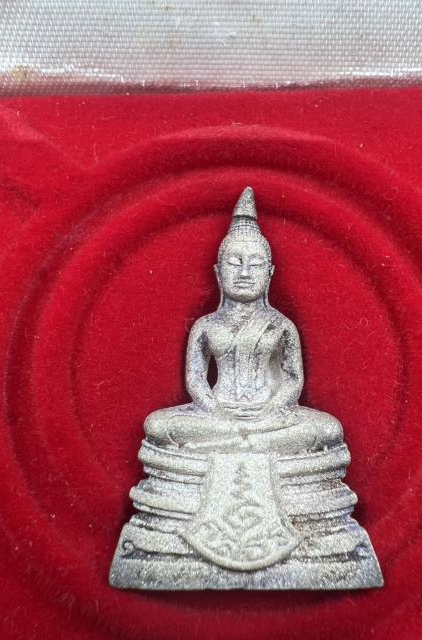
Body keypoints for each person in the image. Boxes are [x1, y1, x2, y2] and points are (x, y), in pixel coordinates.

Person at [144, 187, 343, 455]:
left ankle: (236, 444)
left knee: (328, 430)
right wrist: (217, 411)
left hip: (269, 416)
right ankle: (247, 444)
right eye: (235, 263)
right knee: (157, 426)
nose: (245, 273)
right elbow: (196, 378)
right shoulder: (206, 325)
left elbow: (293, 379)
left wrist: (271, 410)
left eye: (256, 264)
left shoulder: (281, 325)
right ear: (218, 272)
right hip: (216, 415)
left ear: (270, 273)